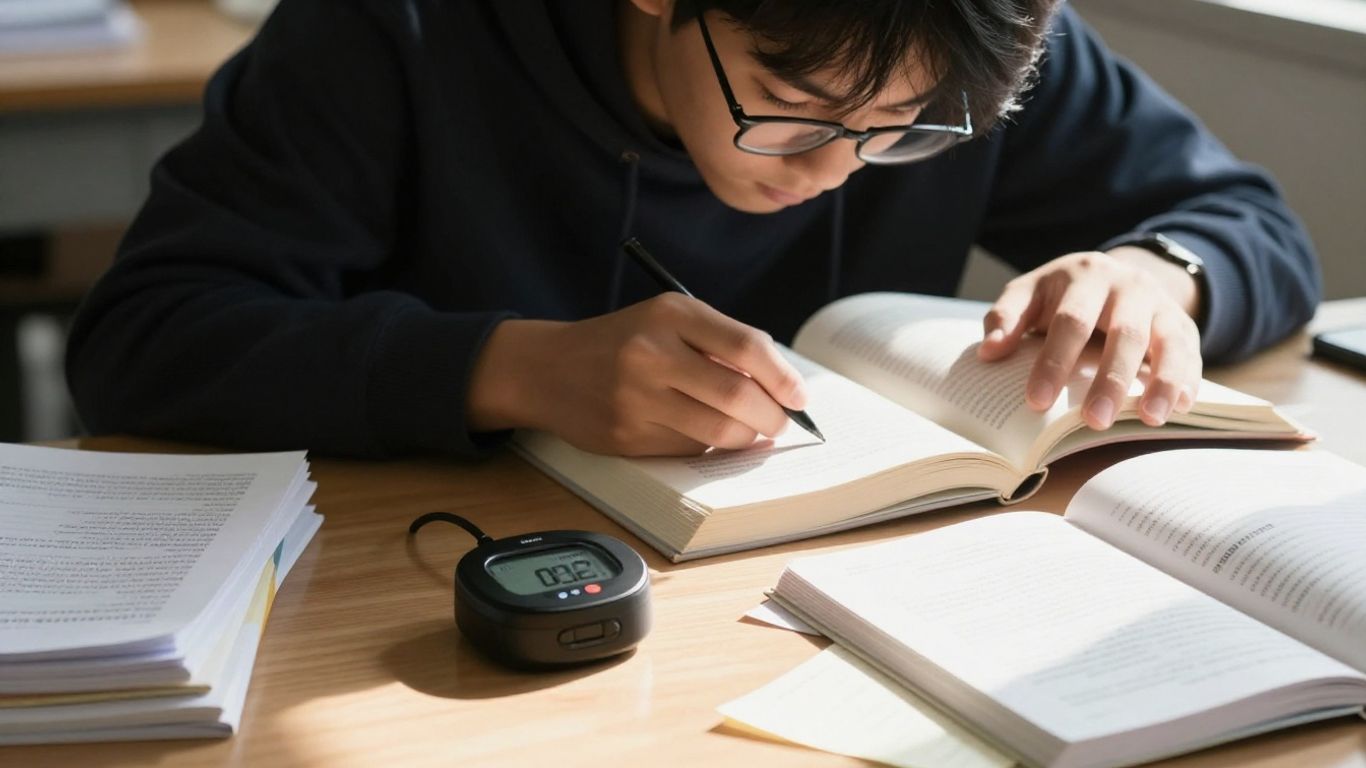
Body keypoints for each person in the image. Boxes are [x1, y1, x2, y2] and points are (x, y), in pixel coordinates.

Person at [65, 0, 1320, 459]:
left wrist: (1163, 274)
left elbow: (1247, 221)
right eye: (792, 111)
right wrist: (506, 366)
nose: (840, 172)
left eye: (903, 134)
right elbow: (145, 337)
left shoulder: (954, 47)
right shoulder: (387, 36)